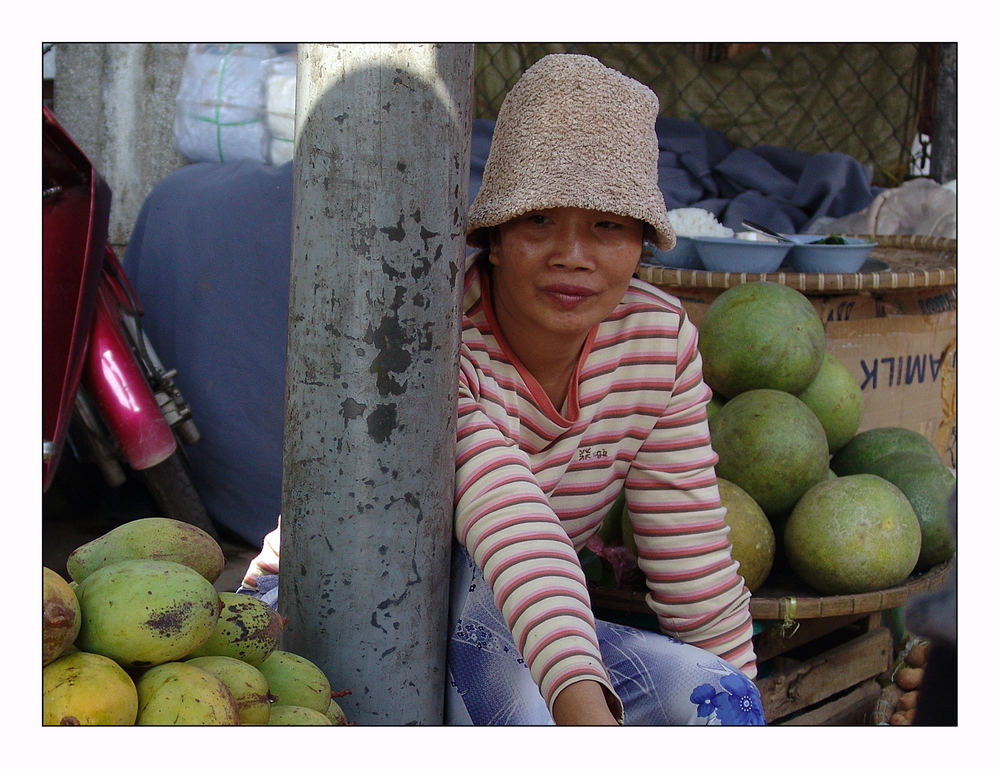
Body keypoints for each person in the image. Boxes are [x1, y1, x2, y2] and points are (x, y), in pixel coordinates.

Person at [242, 53, 763, 726]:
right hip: (321, 612)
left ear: (641, 243)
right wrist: (585, 714)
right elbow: (515, 525)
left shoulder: (658, 343)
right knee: (506, 636)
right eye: (539, 220)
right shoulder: (431, 341)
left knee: (721, 700)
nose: (571, 254)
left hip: (524, 630)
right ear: (492, 235)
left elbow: (695, 571)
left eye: (606, 224)